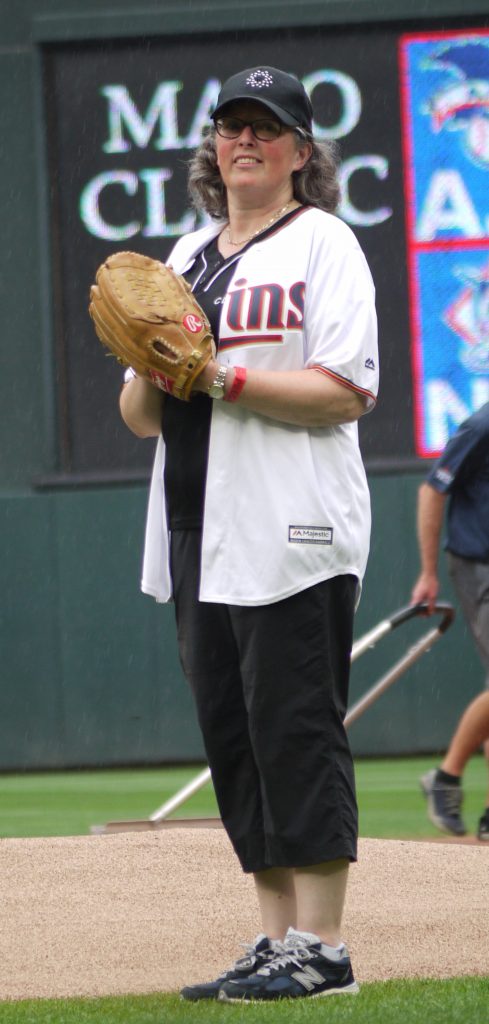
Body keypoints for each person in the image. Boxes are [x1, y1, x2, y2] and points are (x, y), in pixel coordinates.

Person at [120, 65, 378, 1002]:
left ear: (301, 154)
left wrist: (218, 374)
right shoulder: (185, 252)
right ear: (213, 147)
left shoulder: (324, 245)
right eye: (231, 124)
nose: (245, 139)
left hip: (293, 526)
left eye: (266, 127)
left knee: (294, 729)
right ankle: (275, 943)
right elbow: (143, 416)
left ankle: (326, 948)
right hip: (195, 528)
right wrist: (148, 362)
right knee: (234, 738)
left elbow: (344, 391)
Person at [411, 401, 489, 842]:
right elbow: (432, 489)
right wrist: (427, 572)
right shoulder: (482, 424)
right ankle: (446, 776)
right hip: (480, 567)